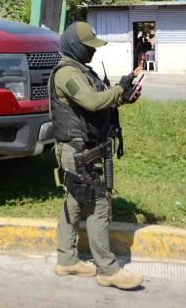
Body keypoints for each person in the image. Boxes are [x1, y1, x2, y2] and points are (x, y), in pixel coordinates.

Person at [49, 21, 143, 290]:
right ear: (76, 47)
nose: (93, 52)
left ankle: (66, 260)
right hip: (77, 151)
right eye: (88, 47)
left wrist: (123, 95)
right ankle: (108, 270)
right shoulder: (66, 74)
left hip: (84, 149)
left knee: (75, 202)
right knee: (98, 203)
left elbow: (98, 102)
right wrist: (119, 90)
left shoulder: (81, 71)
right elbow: (91, 101)